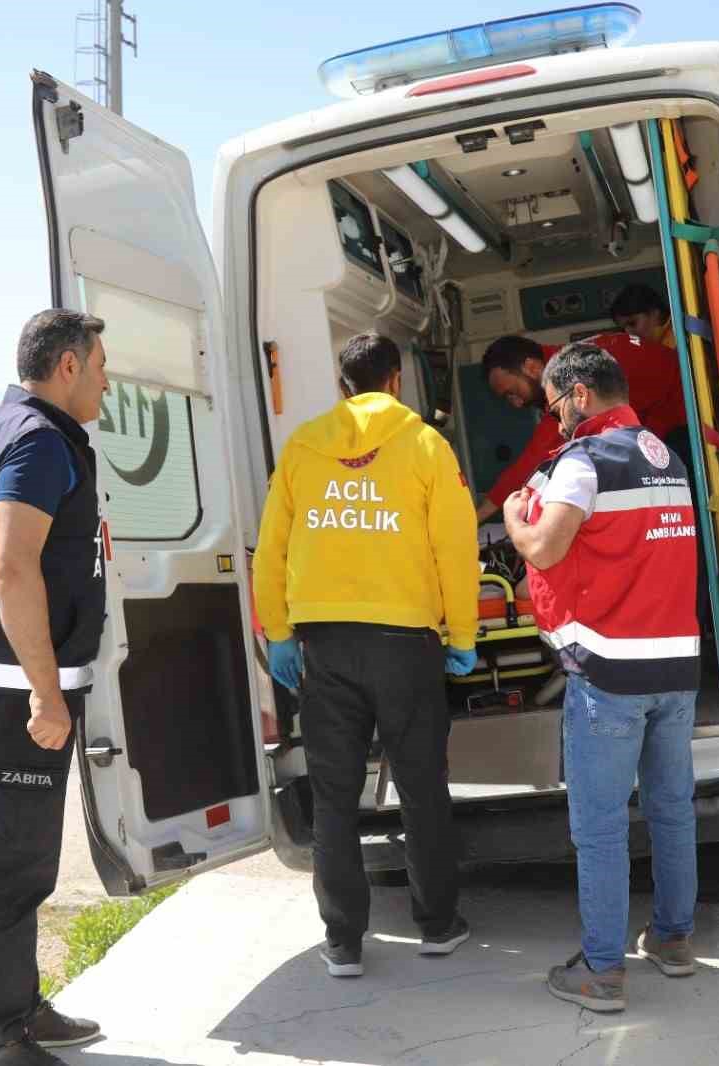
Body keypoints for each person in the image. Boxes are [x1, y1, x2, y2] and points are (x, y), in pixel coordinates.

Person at [253, 332, 480, 979]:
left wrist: (279, 632)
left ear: (342, 382)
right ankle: (437, 926)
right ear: (396, 380)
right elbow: (455, 547)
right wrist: (460, 635)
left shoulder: (302, 448)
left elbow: (271, 552)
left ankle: (343, 942)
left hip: (323, 646)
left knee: (332, 797)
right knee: (420, 790)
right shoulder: (424, 445)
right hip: (405, 644)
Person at [500, 342, 701, 1014]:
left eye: (556, 405)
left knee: (601, 826)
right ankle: (673, 941)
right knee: (672, 812)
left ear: (580, 396)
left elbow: (548, 546)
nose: (555, 420)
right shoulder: (665, 458)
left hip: (611, 673)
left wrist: (512, 521)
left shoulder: (583, 462)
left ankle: (602, 972)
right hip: (677, 668)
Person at [0, 309, 110, 1066]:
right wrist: (45, 691)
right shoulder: (40, 439)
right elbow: (8, 566)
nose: (105, 380)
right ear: (67, 366)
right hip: (14, 686)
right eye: (100, 365)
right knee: (15, 862)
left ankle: (19, 1009)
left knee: (14, 850)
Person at [475, 285, 686, 523]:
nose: (515, 403)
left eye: (512, 392)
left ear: (532, 368)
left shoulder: (572, 376)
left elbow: (535, 457)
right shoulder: (577, 359)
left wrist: (478, 516)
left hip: (688, 427)